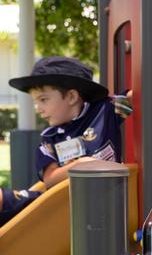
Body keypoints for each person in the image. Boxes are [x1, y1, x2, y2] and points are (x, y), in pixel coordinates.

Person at [0, 56, 132, 226]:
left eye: (43, 100)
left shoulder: (105, 111)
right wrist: (82, 164)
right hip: (63, 208)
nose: (38, 108)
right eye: (36, 101)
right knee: (13, 200)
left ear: (71, 97)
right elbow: (50, 179)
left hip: (107, 202)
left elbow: (140, 96)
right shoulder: (49, 138)